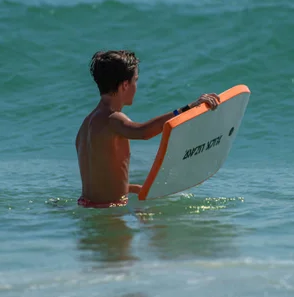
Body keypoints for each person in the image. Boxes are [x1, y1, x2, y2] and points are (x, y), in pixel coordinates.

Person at [75, 50, 220, 208]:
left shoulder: (86, 125)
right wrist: (188, 108)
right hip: (110, 210)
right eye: (135, 80)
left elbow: (99, 179)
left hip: (86, 204)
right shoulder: (113, 119)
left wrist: (132, 189)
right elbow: (143, 132)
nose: (136, 86)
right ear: (125, 85)